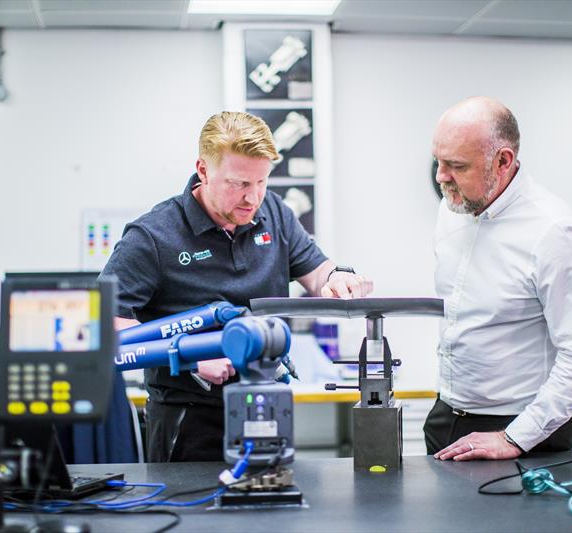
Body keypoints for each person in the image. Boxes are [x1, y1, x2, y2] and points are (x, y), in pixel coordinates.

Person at [102, 111, 373, 462]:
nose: (253, 198)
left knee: (269, 509)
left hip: (266, 401)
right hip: (188, 417)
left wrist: (337, 277)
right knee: (190, 515)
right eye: (239, 184)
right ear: (203, 170)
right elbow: (108, 320)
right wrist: (189, 354)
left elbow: (316, 272)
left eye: (261, 182)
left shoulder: (274, 211)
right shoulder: (152, 236)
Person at [424, 96, 572, 461]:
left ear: (503, 161)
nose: (441, 177)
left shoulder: (555, 232)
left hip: (521, 431)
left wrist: (514, 437)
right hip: (447, 417)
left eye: (457, 166)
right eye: (438, 162)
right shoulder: (452, 208)